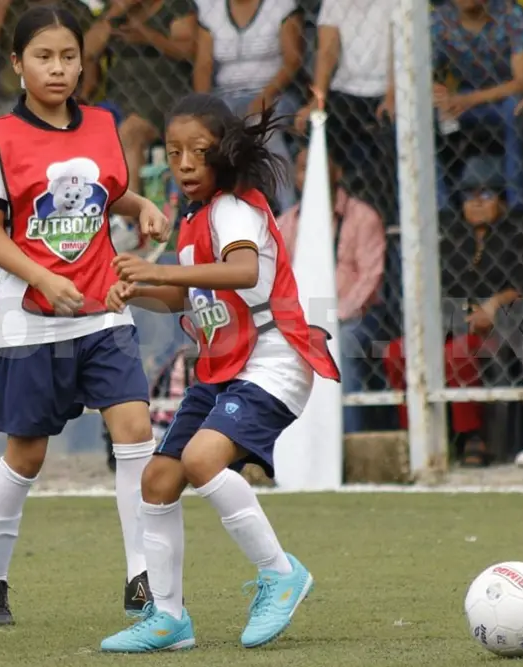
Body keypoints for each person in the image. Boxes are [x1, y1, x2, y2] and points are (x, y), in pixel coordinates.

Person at [97, 93, 340, 653]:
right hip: (222, 366)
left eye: (198, 152)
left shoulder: (233, 208)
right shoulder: (195, 219)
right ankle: (168, 619)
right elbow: (187, 299)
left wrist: (157, 270)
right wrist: (136, 292)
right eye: (173, 152)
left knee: (202, 459)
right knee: (157, 482)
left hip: (272, 356)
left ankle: (281, 574)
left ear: (224, 153)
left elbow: (244, 270)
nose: (184, 164)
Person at [0, 5, 170, 626]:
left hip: (103, 312)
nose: (57, 68)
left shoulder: (104, 123)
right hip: (32, 320)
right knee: (26, 455)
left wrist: (142, 206)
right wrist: (41, 277)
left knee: (134, 429)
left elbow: (106, 189)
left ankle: (142, 577)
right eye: (43, 57)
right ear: (17, 64)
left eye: (68, 57)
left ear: (84, 63)